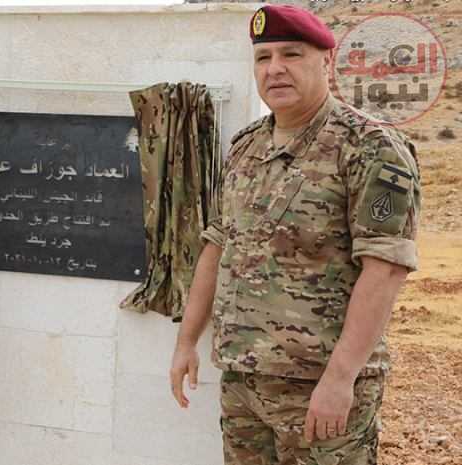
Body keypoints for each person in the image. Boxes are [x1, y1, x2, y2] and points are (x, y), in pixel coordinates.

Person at [169, 5, 420, 464]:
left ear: (326, 60)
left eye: (292, 54)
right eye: (263, 58)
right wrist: (186, 341)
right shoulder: (246, 147)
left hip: (319, 385)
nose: (275, 69)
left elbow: (384, 270)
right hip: (244, 381)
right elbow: (218, 245)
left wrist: (340, 379)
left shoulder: (369, 147)